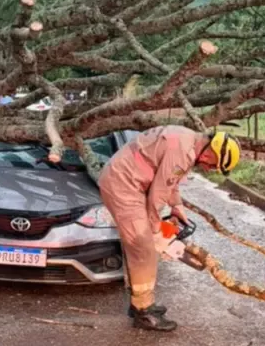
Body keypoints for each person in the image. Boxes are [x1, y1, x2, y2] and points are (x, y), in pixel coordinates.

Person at [98, 125, 241, 332]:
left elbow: (169, 179)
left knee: (141, 245)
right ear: (211, 150)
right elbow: (158, 195)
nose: (210, 169)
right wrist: (156, 232)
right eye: (214, 164)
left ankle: (139, 302)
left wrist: (177, 206)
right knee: (143, 247)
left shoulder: (188, 141)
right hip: (123, 185)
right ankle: (143, 312)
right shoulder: (183, 151)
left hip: (128, 181)